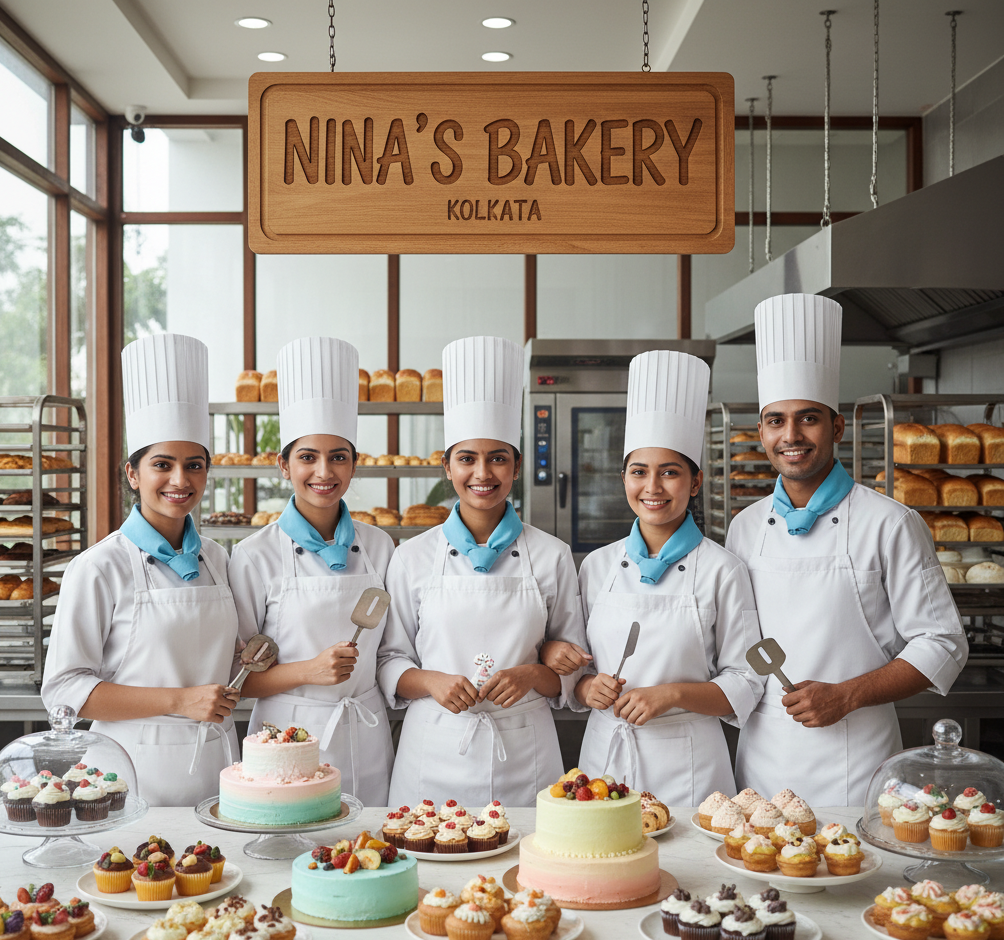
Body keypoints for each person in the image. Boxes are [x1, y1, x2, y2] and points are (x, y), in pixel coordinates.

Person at [728, 293, 968, 804]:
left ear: (837, 427)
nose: (791, 435)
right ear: (761, 432)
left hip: (856, 762)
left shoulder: (889, 522)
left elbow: (943, 643)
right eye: (776, 420)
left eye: (808, 418)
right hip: (762, 762)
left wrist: (847, 694)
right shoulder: (745, 527)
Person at [540, 350, 764, 804]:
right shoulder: (596, 566)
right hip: (605, 759)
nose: (653, 488)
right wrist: (585, 685)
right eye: (639, 472)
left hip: (692, 767)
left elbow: (748, 679)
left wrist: (672, 694)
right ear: (623, 478)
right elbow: (574, 668)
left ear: (695, 482)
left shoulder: (723, 568)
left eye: (670, 473)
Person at [378, 336, 587, 807]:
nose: (483, 473)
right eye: (467, 458)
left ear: (516, 467)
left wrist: (533, 674)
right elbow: (389, 661)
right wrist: (432, 681)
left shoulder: (551, 555)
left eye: (498, 458)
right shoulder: (411, 556)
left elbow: (570, 672)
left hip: (525, 755)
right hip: (432, 752)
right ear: (446, 466)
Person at [42, 334, 240, 806]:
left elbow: (218, 660)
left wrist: (249, 654)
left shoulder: (216, 558)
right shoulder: (98, 567)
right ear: (133, 474)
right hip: (130, 773)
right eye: (162, 464)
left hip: (218, 765)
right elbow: (64, 690)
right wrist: (178, 701)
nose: (180, 480)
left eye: (194, 465)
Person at [228, 337, 395, 804]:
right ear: (283, 465)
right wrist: (309, 670)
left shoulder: (380, 546)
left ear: (354, 465)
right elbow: (236, 678)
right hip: (284, 741)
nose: (324, 471)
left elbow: (391, 654)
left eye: (338, 456)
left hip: (365, 733)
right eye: (307, 457)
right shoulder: (254, 555)